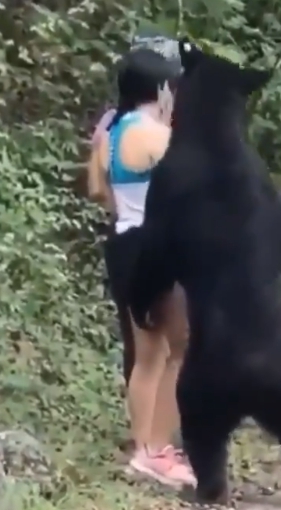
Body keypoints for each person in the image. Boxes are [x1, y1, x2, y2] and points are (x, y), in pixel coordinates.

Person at [86, 47, 196, 485]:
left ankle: (145, 450)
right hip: (157, 248)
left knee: (150, 353)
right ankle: (158, 449)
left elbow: (99, 190)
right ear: (164, 88)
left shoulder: (111, 131)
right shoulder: (154, 133)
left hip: (126, 242)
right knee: (178, 349)